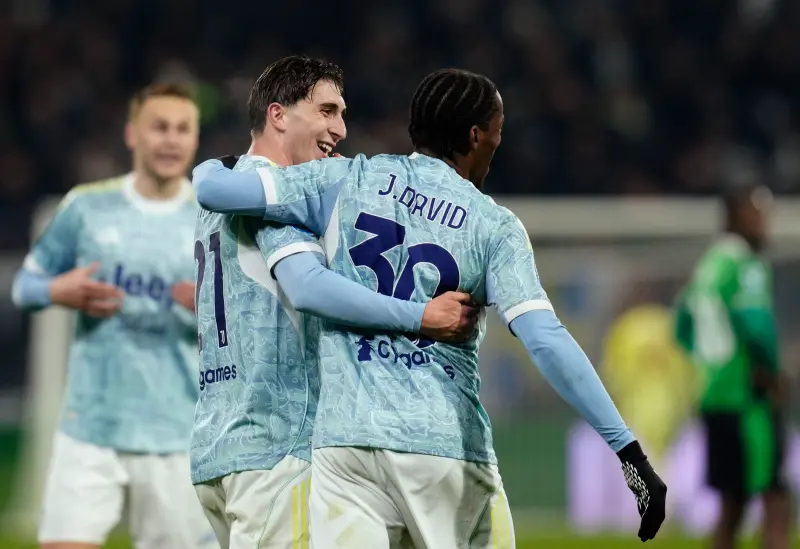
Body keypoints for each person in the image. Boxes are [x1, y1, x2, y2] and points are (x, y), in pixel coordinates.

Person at [192, 68, 667, 548]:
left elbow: (215, 189)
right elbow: (544, 339)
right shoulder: (494, 225)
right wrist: (626, 448)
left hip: (347, 447)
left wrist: (213, 165)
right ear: (477, 137)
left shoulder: (346, 178)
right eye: (497, 136)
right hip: (443, 444)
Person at [191, 56, 477, 549]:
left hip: (219, 446)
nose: (340, 129)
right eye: (326, 111)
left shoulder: (224, 189)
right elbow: (309, 287)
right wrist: (421, 317)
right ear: (278, 115)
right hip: (281, 449)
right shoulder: (278, 198)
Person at [11, 83, 216, 548]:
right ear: (132, 134)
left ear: (194, 139)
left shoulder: (211, 219)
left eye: (182, 129)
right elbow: (24, 286)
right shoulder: (87, 207)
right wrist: (57, 290)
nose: (171, 139)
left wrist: (211, 309)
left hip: (175, 431)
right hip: (91, 426)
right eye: (159, 127)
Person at [674, 181, 790, 549]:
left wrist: (706, 367)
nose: (765, 223)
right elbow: (756, 324)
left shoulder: (710, 264)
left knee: (732, 504)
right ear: (737, 216)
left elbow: (682, 324)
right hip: (747, 397)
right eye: (758, 214)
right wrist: (772, 371)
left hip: (714, 394)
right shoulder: (745, 264)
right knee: (775, 496)